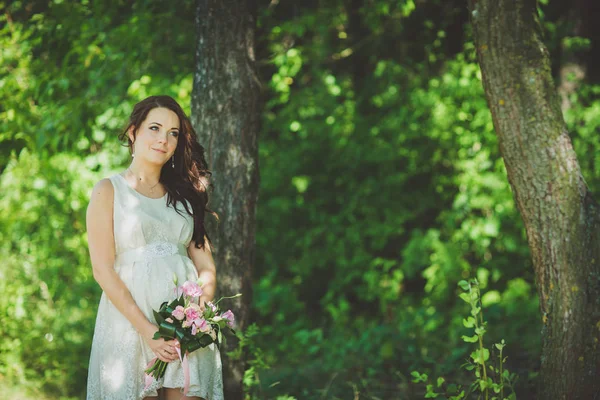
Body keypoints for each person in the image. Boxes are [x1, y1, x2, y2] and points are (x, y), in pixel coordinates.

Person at [85, 95, 224, 400]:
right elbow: (102, 269)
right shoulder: (109, 190)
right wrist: (148, 329)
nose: (164, 140)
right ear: (133, 132)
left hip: (184, 331)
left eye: (173, 133)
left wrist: (193, 319)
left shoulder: (185, 197)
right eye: (155, 128)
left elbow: (206, 267)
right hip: (129, 325)